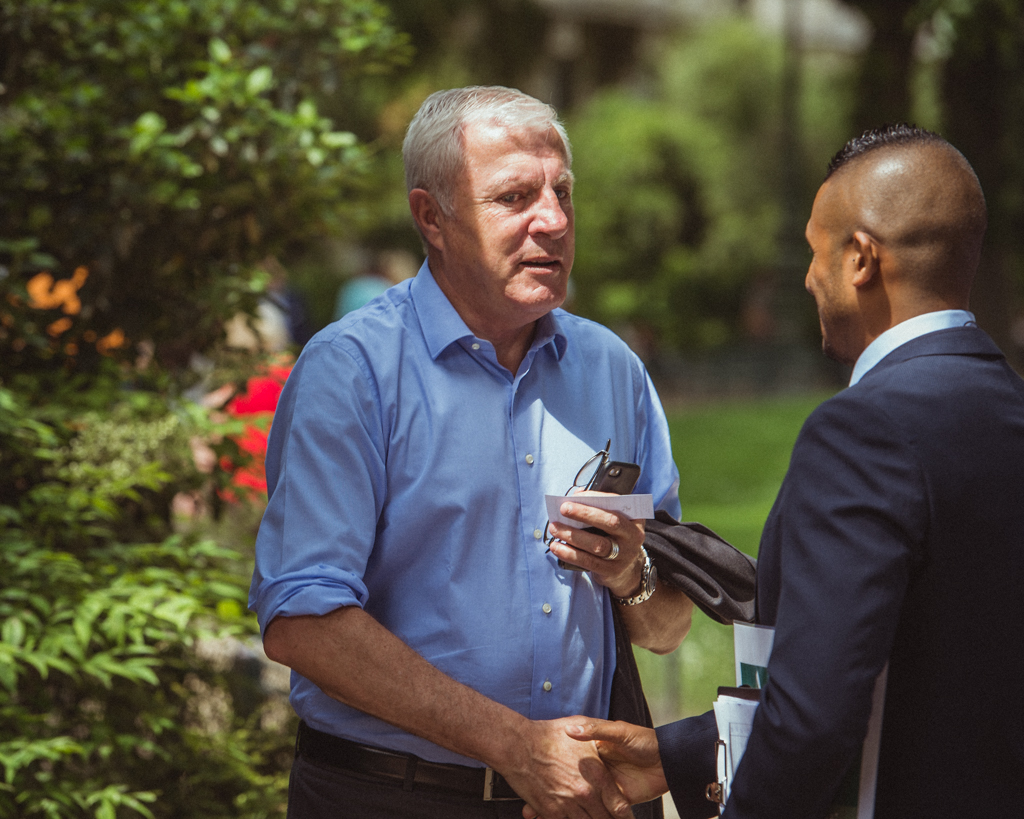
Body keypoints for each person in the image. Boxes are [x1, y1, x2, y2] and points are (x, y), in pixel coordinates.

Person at [249, 85, 695, 819]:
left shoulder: (614, 369)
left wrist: (631, 575)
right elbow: (304, 617)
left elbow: (671, 626)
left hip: (579, 799)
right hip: (391, 796)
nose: (551, 219)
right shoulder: (353, 370)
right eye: (515, 196)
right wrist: (517, 746)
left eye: (562, 192)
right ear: (433, 218)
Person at [560, 124, 1024, 819]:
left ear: (861, 258)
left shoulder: (862, 433)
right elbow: (941, 671)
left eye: (815, 251)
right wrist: (681, 755)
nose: (807, 276)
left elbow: (815, 719)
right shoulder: (1008, 408)